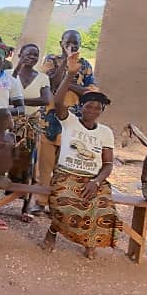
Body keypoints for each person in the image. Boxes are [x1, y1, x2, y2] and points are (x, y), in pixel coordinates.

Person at [40, 51, 118, 259]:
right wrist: (70, 74)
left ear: (101, 111)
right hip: (66, 175)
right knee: (66, 203)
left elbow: (108, 164)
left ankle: (89, 240)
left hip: (93, 179)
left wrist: (96, 181)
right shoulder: (70, 121)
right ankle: (53, 230)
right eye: (88, 106)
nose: (92, 110)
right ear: (81, 107)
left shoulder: (105, 132)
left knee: (102, 207)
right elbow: (57, 103)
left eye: (97, 108)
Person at [36, 30, 98, 215]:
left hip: (73, 121)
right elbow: (49, 83)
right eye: (69, 42)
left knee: (64, 164)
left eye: (76, 43)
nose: (72, 46)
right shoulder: (51, 60)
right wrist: (66, 62)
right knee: (45, 164)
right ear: (61, 42)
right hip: (49, 118)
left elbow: (89, 92)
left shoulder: (85, 65)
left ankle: (57, 204)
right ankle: (40, 203)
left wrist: (68, 81)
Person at [11, 43, 51, 220]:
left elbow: (46, 99)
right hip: (10, 123)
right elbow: (6, 88)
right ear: (20, 54)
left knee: (28, 164)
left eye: (35, 55)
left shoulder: (42, 78)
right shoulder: (10, 73)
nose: (32, 58)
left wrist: (19, 101)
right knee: (6, 161)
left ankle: (25, 208)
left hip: (31, 125)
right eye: (28, 54)